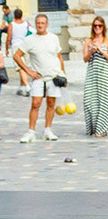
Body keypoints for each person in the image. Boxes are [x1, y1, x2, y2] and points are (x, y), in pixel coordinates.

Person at [14, 13, 63, 143]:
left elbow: (59, 56)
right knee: (35, 104)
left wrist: (63, 73)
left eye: (43, 23)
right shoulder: (29, 40)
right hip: (38, 78)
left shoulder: (53, 38)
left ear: (47, 24)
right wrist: (28, 71)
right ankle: (31, 132)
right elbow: (17, 56)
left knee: (51, 104)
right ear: (36, 24)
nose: (40, 25)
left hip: (54, 76)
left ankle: (48, 130)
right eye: (38, 23)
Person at [82, 16, 108, 137]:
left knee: (103, 101)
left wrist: (101, 50)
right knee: (88, 100)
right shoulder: (88, 41)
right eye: (95, 25)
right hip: (91, 73)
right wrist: (91, 51)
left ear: (103, 27)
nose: (97, 28)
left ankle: (102, 129)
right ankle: (92, 128)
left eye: (100, 26)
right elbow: (85, 59)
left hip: (103, 73)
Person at [6, 9, 30, 96]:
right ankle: (21, 87)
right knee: (23, 66)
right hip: (25, 46)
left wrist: (7, 48)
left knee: (20, 67)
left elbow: (9, 37)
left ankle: (27, 87)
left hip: (16, 47)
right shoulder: (26, 23)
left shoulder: (11, 25)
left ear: (14, 15)